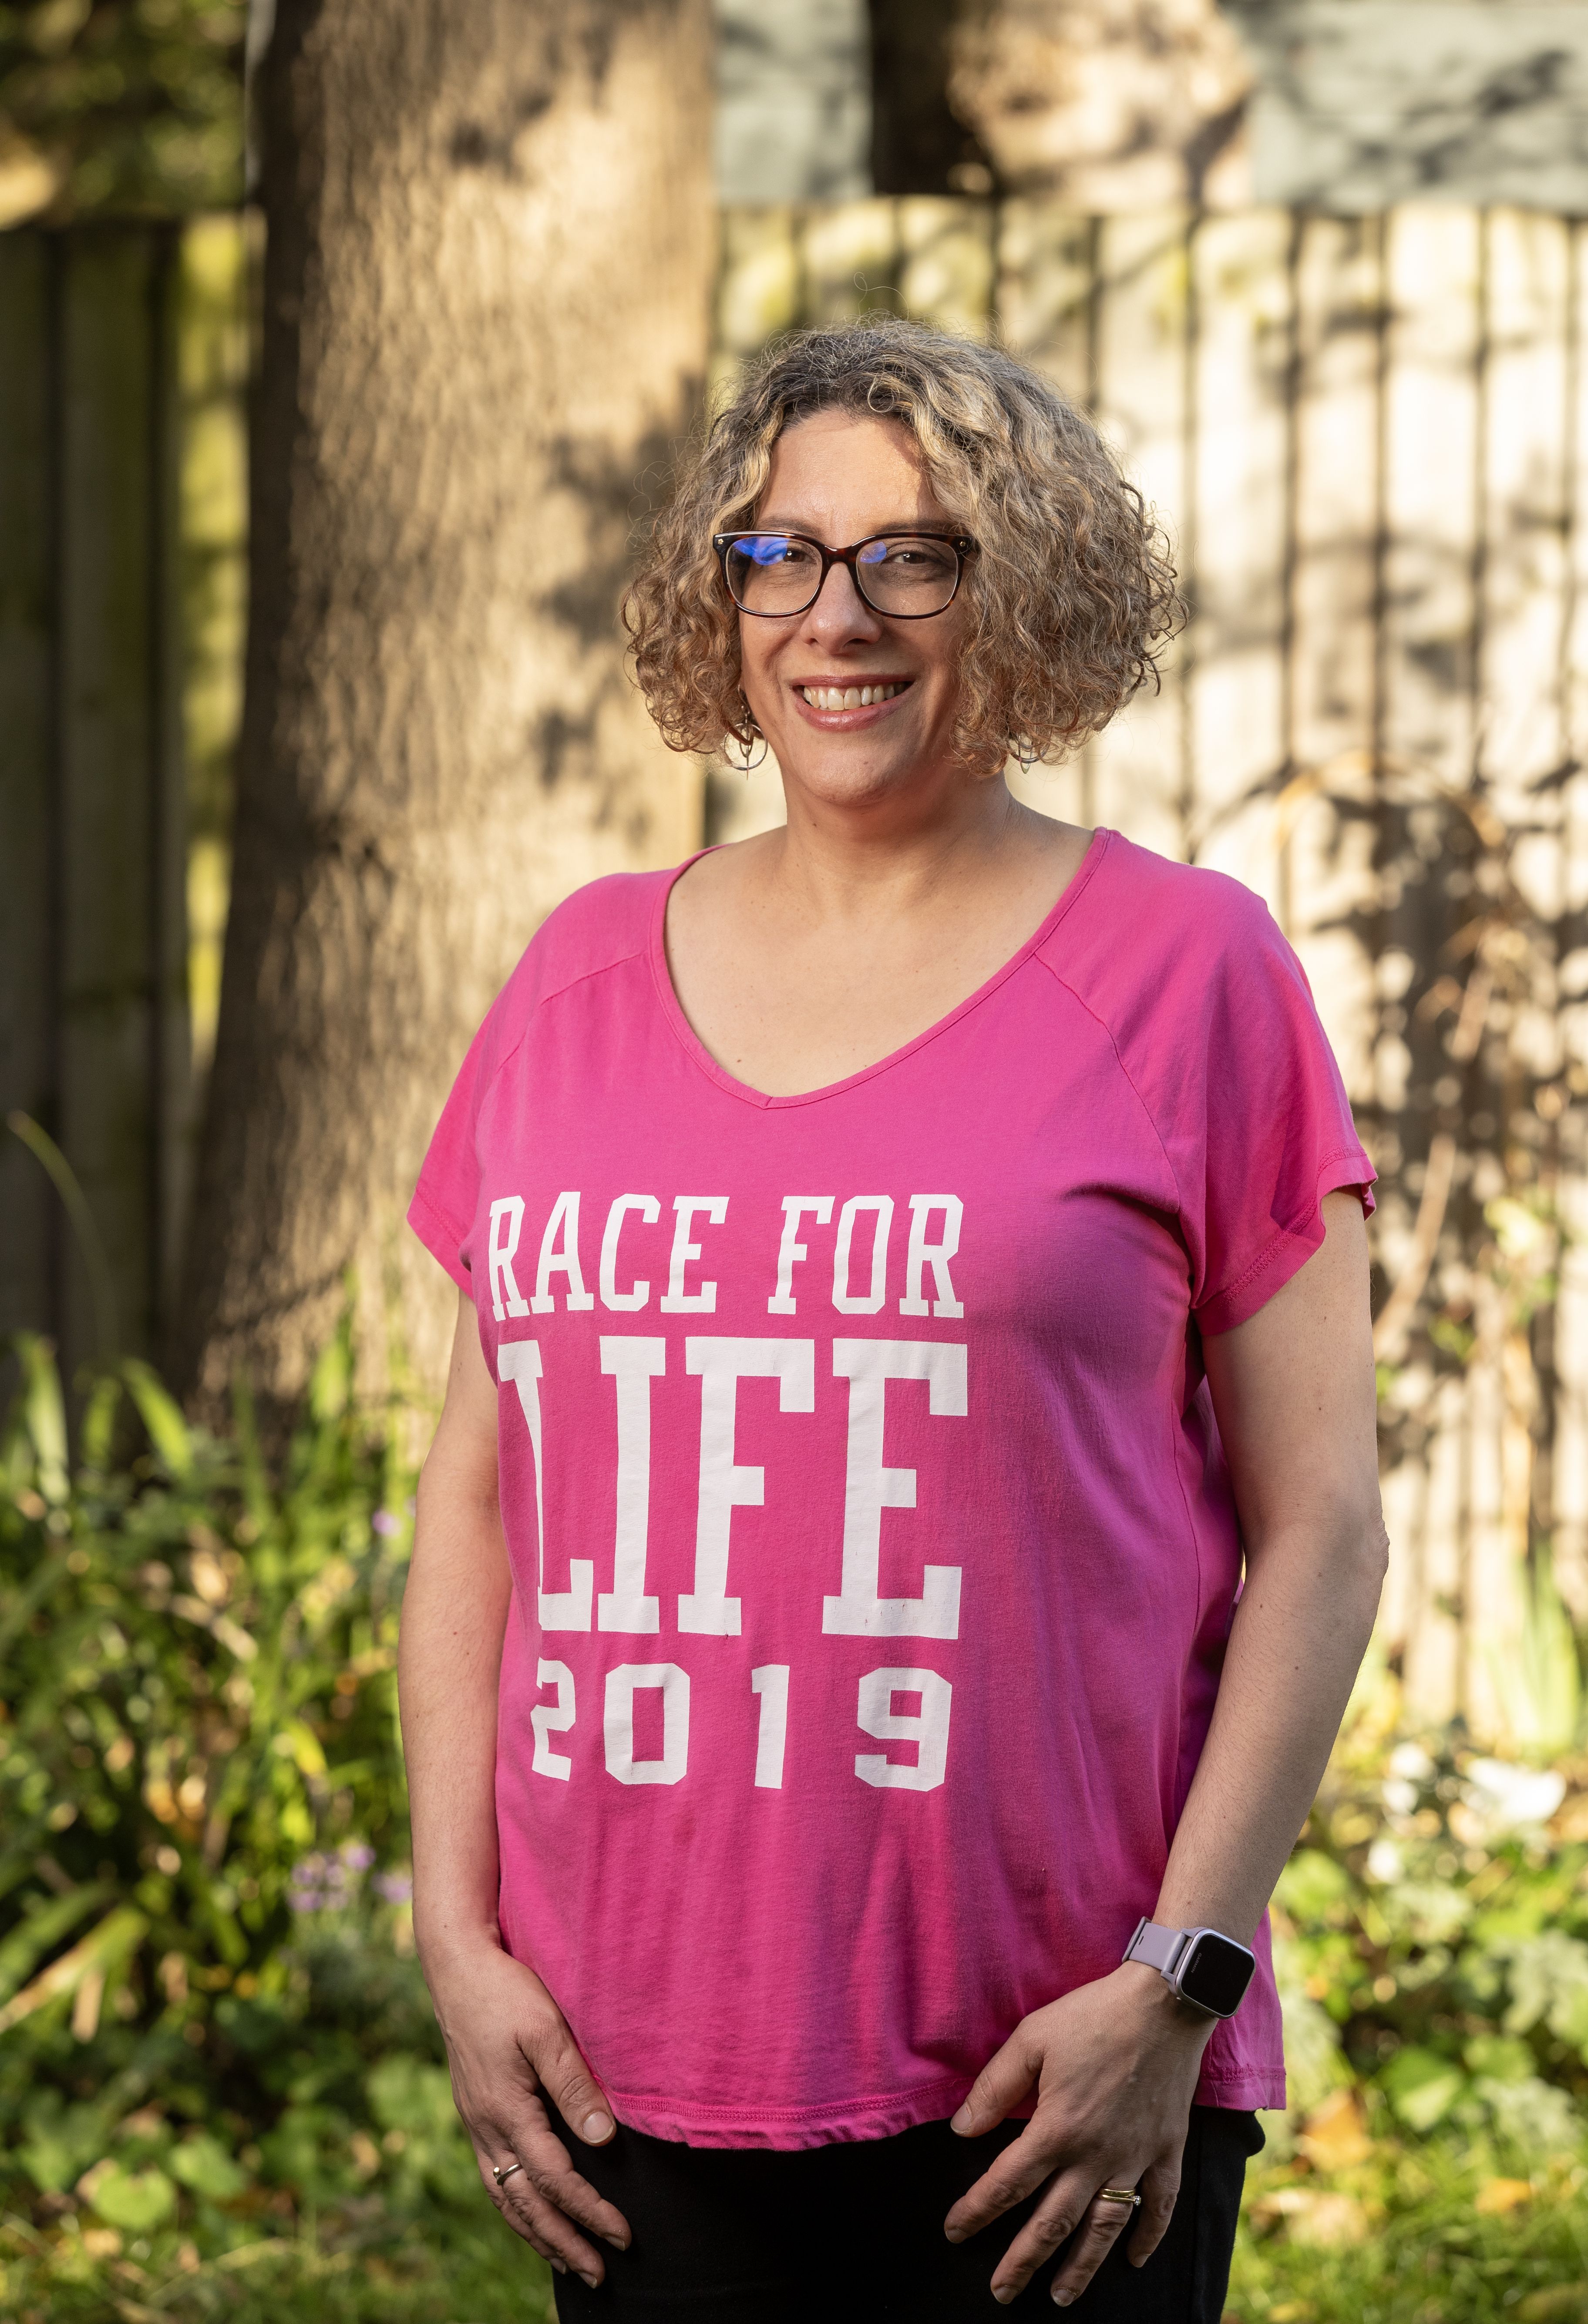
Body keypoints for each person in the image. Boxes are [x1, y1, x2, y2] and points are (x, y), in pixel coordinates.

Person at [398, 317, 1387, 2321]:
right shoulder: (575, 986)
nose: (836, 615)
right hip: (626, 2085)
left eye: (912, 555)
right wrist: (455, 1942)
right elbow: (480, 1506)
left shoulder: (1190, 972)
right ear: (722, 593)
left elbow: (1326, 1529)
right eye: (781, 554)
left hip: (1052, 2094)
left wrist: (1177, 1987)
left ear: (1015, 589)